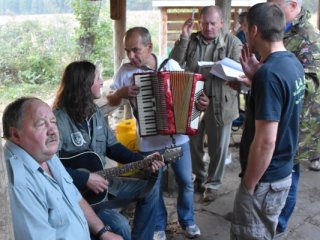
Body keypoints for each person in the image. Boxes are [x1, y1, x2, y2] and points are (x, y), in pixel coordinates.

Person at [106, 27, 209, 240]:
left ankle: (187, 220)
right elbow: (110, 98)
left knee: (186, 182)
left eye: (136, 50)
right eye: (127, 51)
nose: (131, 56)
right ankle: (159, 225)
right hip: (149, 143)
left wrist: (201, 104)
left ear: (149, 47)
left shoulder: (170, 65)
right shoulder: (125, 71)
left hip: (178, 138)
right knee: (154, 187)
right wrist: (121, 93)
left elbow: (192, 95)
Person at [52, 60, 165, 240]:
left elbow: (113, 147)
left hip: (104, 186)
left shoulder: (95, 112)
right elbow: (50, 166)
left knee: (151, 189)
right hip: (77, 198)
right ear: (84, 85)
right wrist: (85, 178)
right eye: (98, 78)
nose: (103, 82)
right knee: (120, 226)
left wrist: (143, 161)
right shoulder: (58, 121)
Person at [230, 3, 305, 239]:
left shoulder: (269, 74)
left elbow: (265, 142)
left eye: (245, 30)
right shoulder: (291, 62)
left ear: (253, 31)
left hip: (265, 179)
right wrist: (255, 80)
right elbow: (283, 106)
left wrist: (248, 186)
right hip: (283, 171)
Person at [2, 97, 123, 240]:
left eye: (53, 122)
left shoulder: (45, 154)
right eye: (41, 124)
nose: (52, 130)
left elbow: (74, 196)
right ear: (16, 135)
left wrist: (103, 232)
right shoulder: (18, 183)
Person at [169, 5, 243, 201]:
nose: (209, 27)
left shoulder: (233, 43)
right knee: (193, 143)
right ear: (199, 23)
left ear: (221, 23)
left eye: (213, 23)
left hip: (221, 101)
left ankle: (213, 184)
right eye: (204, 23)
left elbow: (237, 75)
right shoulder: (191, 41)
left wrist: (210, 97)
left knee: (218, 147)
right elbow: (173, 64)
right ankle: (199, 178)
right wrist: (184, 37)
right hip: (192, 99)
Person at [266, 0, 320, 235]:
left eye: (275, 6)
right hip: (279, 115)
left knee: (290, 175)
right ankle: (267, 215)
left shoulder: (308, 34)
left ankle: (279, 225)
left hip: (299, 121)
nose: (271, 12)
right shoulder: (281, 27)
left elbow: (313, 82)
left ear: (293, 5)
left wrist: (274, 80)